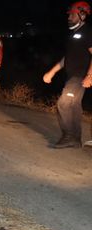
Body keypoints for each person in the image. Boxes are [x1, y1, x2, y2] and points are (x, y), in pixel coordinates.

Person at [43, 1, 92, 148]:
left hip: (80, 76)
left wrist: (90, 76)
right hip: (72, 76)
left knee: (63, 103)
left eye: (72, 14)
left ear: (82, 14)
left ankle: (70, 136)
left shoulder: (88, 31)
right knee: (74, 106)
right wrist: (51, 72)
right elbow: (67, 58)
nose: (69, 17)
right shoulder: (74, 34)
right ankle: (75, 139)